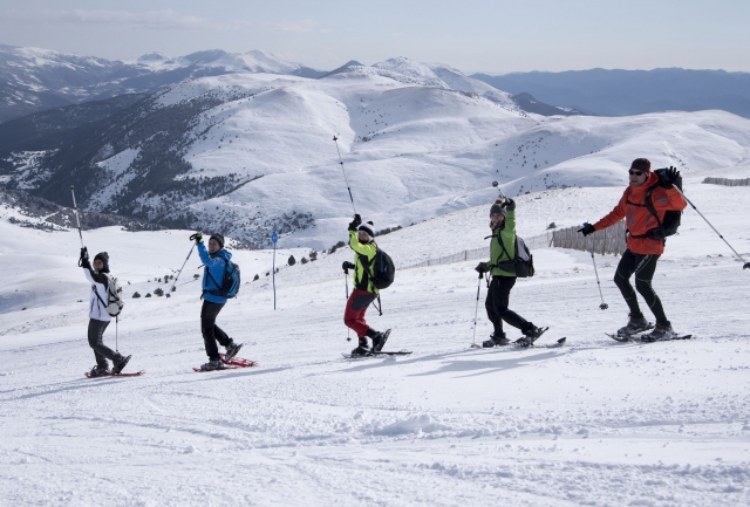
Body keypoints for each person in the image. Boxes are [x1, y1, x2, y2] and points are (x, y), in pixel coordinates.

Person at [578, 158, 687, 341]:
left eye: (638, 173)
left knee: (643, 285)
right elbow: (617, 214)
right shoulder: (629, 192)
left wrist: (670, 188)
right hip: (634, 244)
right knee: (620, 279)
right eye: (631, 172)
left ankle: (664, 326)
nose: (633, 176)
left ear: (647, 174)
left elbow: (679, 205)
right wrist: (594, 227)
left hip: (651, 246)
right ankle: (637, 320)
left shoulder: (657, 192)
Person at [475, 198, 545, 347]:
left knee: (501, 309)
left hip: (505, 277)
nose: (495, 218)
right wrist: (485, 266)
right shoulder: (496, 234)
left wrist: (511, 209)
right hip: (498, 275)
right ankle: (499, 335)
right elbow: (498, 259)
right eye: (493, 216)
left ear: (504, 217)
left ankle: (531, 329)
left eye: (499, 216)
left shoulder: (507, 232)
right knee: (490, 306)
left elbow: (512, 224)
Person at [193, 232, 242, 370]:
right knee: (208, 325)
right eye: (210, 243)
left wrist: (199, 243)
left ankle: (215, 360)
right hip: (214, 298)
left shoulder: (219, 261)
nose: (211, 246)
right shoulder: (219, 258)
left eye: (214, 244)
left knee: (206, 329)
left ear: (220, 246)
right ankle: (229, 345)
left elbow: (206, 261)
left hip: (214, 299)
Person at [343, 214, 390, 356]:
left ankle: (376, 336)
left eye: (364, 234)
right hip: (369, 291)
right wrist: (351, 265)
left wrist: (351, 229)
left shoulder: (368, 249)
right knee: (358, 319)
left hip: (363, 291)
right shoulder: (368, 249)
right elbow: (366, 267)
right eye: (360, 233)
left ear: (370, 237)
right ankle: (362, 344)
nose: (361, 236)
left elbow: (352, 244)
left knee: (349, 320)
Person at [79, 248, 131, 377]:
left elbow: (90, 276)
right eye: (94, 263)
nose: (96, 265)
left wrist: (85, 261)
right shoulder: (108, 276)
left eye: (99, 263)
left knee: (94, 342)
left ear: (105, 264)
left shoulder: (102, 277)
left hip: (99, 316)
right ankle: (102, 366)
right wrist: (86, 261)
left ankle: (117, 359)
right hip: (105, 315)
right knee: (97, 342)